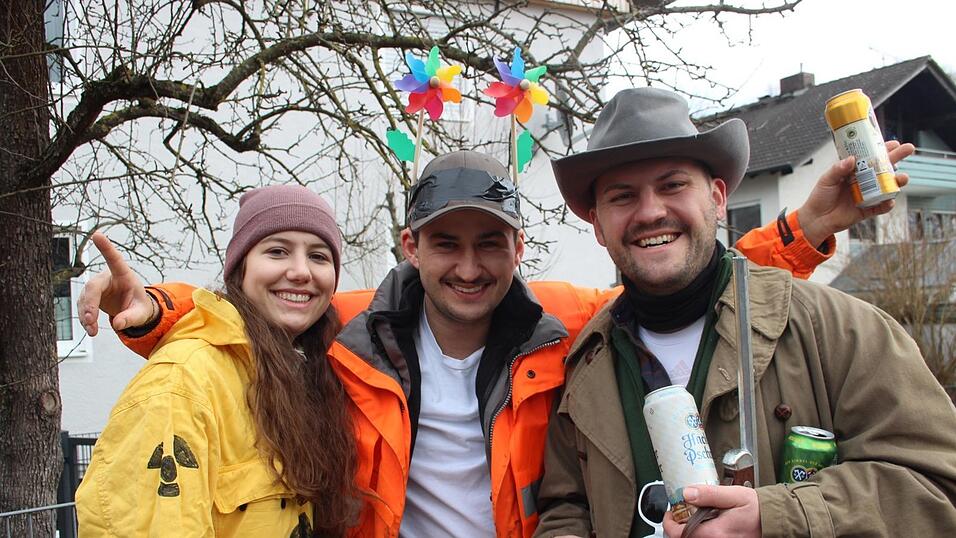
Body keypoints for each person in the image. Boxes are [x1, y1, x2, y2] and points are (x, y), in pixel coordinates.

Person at [80, 144, 882, 537]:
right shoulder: (353, 326)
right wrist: (153, 308)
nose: (468, 267)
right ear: (410, 247)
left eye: (489, 244)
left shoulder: (561, 322)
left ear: (517, 250)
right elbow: (246, 323)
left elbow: (676, 280)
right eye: (446, 244)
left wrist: (801, 232)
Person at [533, 87, 956, 538]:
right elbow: (566, 508)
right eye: (622, 197)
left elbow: (937, 486)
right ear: (598, 225)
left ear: (717, 199)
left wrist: (772, 519)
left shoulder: (837, 328)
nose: (651, 211)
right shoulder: (585, 366)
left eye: (672, 185)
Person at [75, 186, 359, 536]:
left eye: (319, 256)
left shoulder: (311, 374)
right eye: (277, 251)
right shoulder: (182, 383)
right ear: (240, 269)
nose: (301, 271)